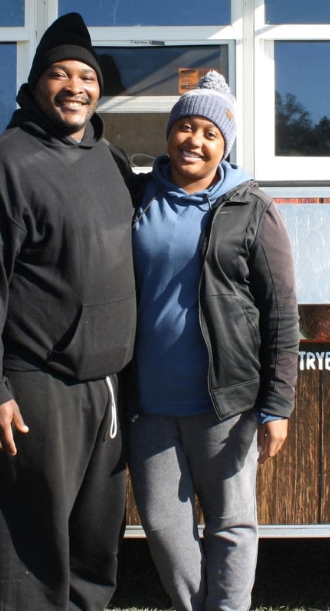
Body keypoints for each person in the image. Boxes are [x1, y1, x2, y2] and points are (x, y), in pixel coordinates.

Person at [0, 12, 137, 611]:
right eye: (59, 73)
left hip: (107, 385)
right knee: (37, 552)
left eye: (86, 74)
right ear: (35, 85)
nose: (75, 86)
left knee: (93, 548)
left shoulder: (111, 160)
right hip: (37, 387)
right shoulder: (0, 166)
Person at [127, 71, 300, 611]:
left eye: (209, 132)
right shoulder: (137, 198)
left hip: (224, 400)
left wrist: (278, 404)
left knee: (230, 522)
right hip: (148, 402)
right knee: (161, 524)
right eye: (185, 127)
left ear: (224, 145)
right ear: (169, 133)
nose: (194, 141)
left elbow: (280, 312)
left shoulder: (250, 207)